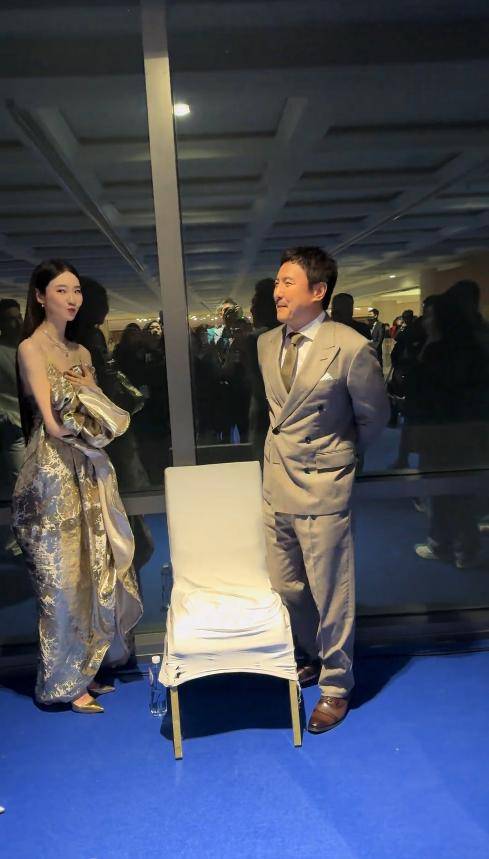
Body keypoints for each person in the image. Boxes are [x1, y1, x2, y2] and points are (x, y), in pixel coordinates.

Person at [258, 246, 389, 733]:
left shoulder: (350, 347)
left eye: (288, 282)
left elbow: (373, 417)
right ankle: (312, 653)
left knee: (332, 592)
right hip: (276, 483)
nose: (277, 291)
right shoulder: (266, 343)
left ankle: (336, 685)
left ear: (318, 291)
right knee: (287, 586)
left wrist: (340, 458)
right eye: (277, 282)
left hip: (323, 485)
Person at [12, 259, 142, 713]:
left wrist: (92, 396)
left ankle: (89, 666)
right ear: (40, 296)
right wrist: (84, 412)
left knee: (95, 568)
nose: (72, 299)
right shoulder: (31, 348)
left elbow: (103, 416)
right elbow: (52, 423)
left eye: (76, 291)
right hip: (52, 474)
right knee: (63, 578)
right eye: (61, 290)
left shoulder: (82, 352)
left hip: (88, 468)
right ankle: (63, 682)